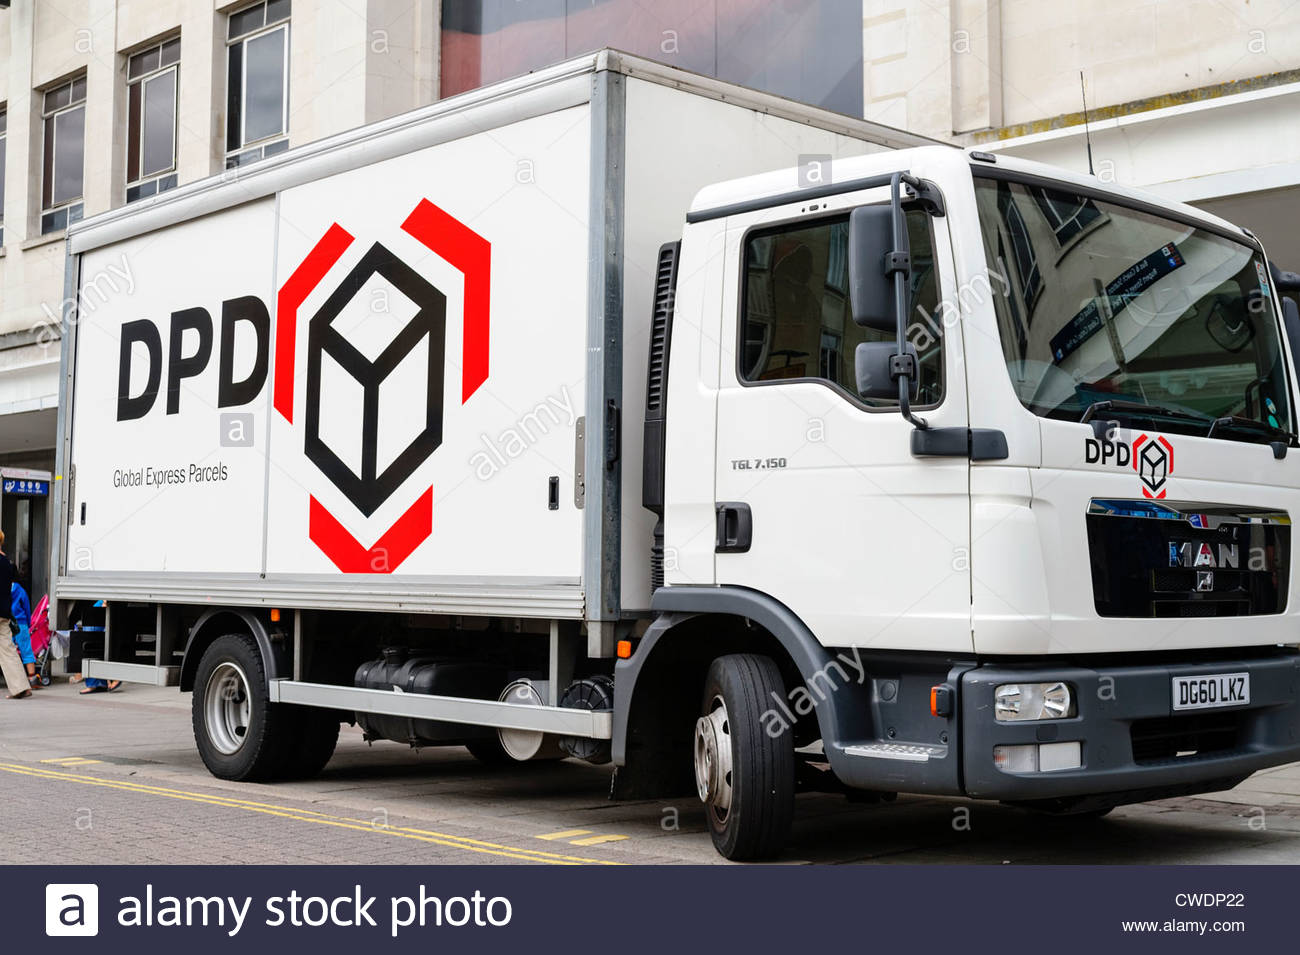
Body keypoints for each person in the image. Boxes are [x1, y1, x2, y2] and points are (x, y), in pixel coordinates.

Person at [0, 531, 32, 699]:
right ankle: (21, 687)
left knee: (7, 650)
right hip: (4, 612)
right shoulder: (8, 563)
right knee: (8, 651)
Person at [10, 580, 40, 690]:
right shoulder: (19, 590)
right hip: (21, 622)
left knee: (8, 653)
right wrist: (28, 623)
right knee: (26, 650)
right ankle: (32, 679)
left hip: (6, 622)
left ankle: (14, 681)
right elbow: (26, 607)